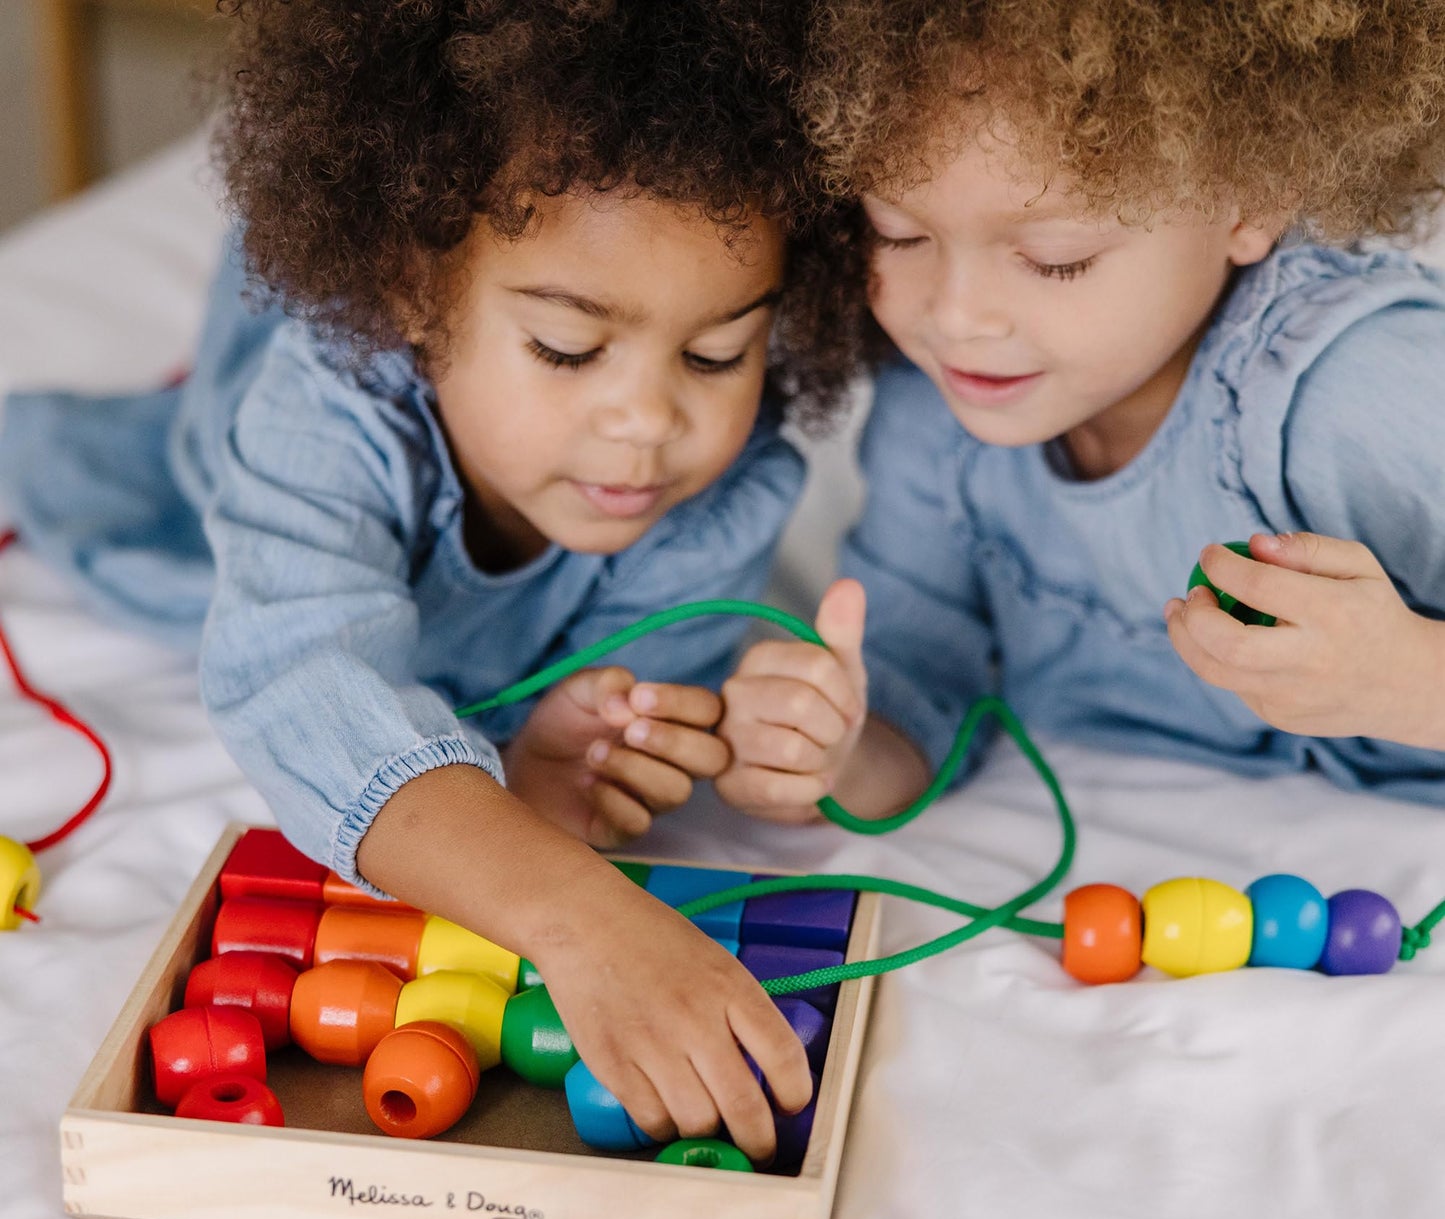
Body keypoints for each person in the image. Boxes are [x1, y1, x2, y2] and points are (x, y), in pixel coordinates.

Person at [0, 0, 854, 1159]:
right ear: (413, 289)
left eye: (716, 353)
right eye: (567, 346)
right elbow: (299, 673)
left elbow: (613, 707)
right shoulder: (332, 404)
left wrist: (549, 762)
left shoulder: (724, 483)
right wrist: (581, 916)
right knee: (257, 359)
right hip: (292, 365)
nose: (649, 420)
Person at [716, 0, 1445, 828]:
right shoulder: (933, 419)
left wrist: (1414, 681)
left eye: (1053, 260)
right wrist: (826, 754)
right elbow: (916, 696)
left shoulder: (1357, 394)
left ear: (1250, 197)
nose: (955, 317)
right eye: (898, 234)